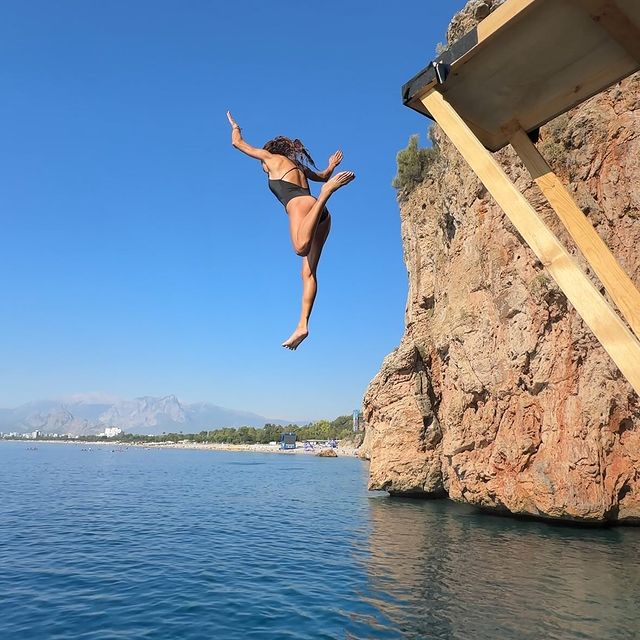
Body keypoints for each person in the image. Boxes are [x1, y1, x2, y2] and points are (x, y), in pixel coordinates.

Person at [226, 111, 355, 350]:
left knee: (299, 247)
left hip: (302, 207)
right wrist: (331, 165)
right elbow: (323, 175)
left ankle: (327, 193)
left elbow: (237, 143)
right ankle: (302, 324)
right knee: (307, 273)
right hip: (321, 216)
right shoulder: (299, 166)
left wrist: (236, 127)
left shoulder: (269, 158)